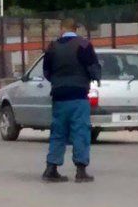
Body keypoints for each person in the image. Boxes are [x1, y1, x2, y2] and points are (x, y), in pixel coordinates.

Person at [42, 18, 101, 183]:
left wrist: (57, 81)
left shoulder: (52, 47)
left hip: (59, 96)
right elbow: (93, 68)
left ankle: (51, 168)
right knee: (80, 132)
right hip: (78, 96)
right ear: (76, 29)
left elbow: (46, 71)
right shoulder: (83, 45)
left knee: (58, 132)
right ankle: (81, 171)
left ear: (62, 29)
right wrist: (93, 79)